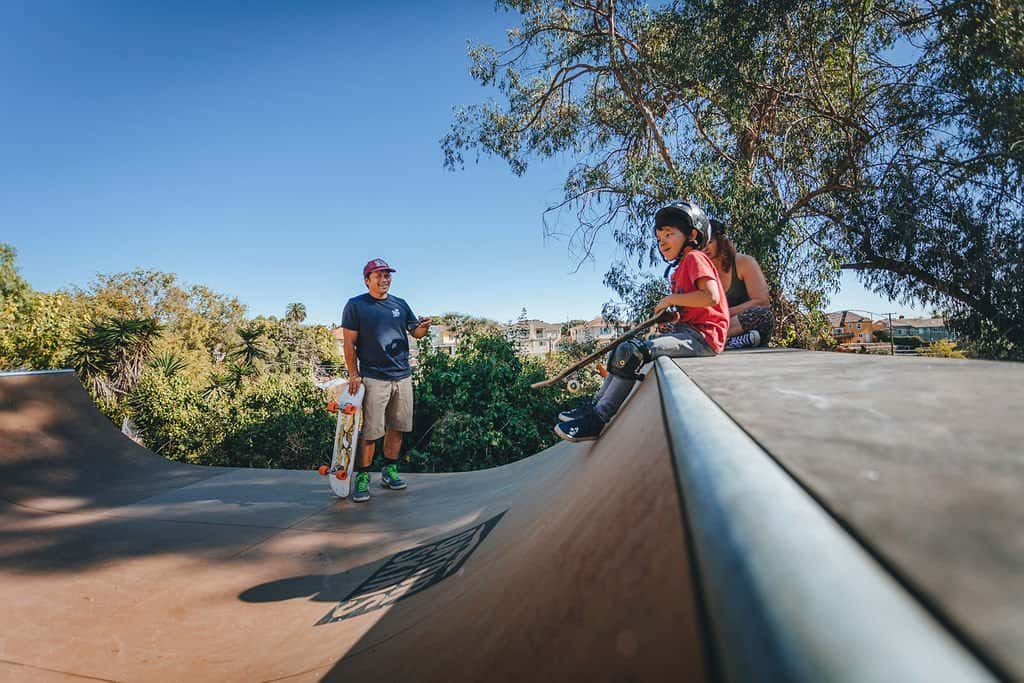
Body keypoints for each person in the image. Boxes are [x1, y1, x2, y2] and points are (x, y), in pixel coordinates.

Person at [554, 200, 729, 442]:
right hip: (688, 332)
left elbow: (711, 297)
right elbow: (692, 305)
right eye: (659, 238)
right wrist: (672, 316)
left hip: (704, 338)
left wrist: (670, 299)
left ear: (692, 235)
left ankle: (598, 419)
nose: (663, 241)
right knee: (623, 349)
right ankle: (593, 406)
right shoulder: (680, 270)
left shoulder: (695, 258)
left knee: (634, 354)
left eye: (669, 234)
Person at [341, 259, 432, 503]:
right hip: (373, 378)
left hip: (402, 376)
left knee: (398, 427)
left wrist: (424, 326)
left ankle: (389, 470)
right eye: (379, 275)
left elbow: (416, 333)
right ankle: (362, 476)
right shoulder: (356, 305)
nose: (384, 279)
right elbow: (348, 343)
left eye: (387, 275)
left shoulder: (400, 305)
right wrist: (353, 374)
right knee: (370, 432)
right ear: (367, 280)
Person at [704, 219, 773, 349]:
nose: (705, 248)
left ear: (721, 240)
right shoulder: (701, 272)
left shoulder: (743, 262)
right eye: (702, 244)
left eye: (710, 242)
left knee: (763, 315)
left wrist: (728, 312)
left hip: (744, 326)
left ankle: (724, 340)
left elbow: (763, 301)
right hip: (716, 325)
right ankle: (725, 341)